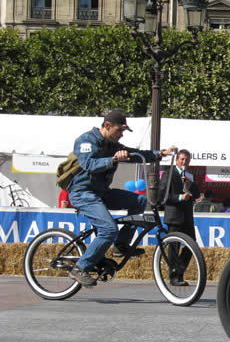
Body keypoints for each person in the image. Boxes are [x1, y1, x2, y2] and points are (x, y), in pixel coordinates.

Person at [67, 109, 175, 287]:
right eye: (120, 131)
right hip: (82, 192)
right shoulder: (86, 140)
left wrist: (161, 153)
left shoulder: (113, 145)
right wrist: (113, 159)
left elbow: (134, 154)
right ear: (107, 126)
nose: (121, 135)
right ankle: (80, 267)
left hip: (101, 192)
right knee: (109, 229)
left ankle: (121, 245)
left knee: (139, 201)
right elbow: (89, 164)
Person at [158, 149, 200, 286]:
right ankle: (174, 277)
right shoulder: (168, 174)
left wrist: (189, 184)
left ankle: (179, 269)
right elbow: (162, 196)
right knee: (174, 246)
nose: (184, 162)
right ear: (177, 160)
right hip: (174, 215)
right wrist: (180, 197)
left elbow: (197, 195)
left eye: (187, 160)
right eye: (182, 159)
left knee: (191, 244)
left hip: (187, 215)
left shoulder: (189, 176)